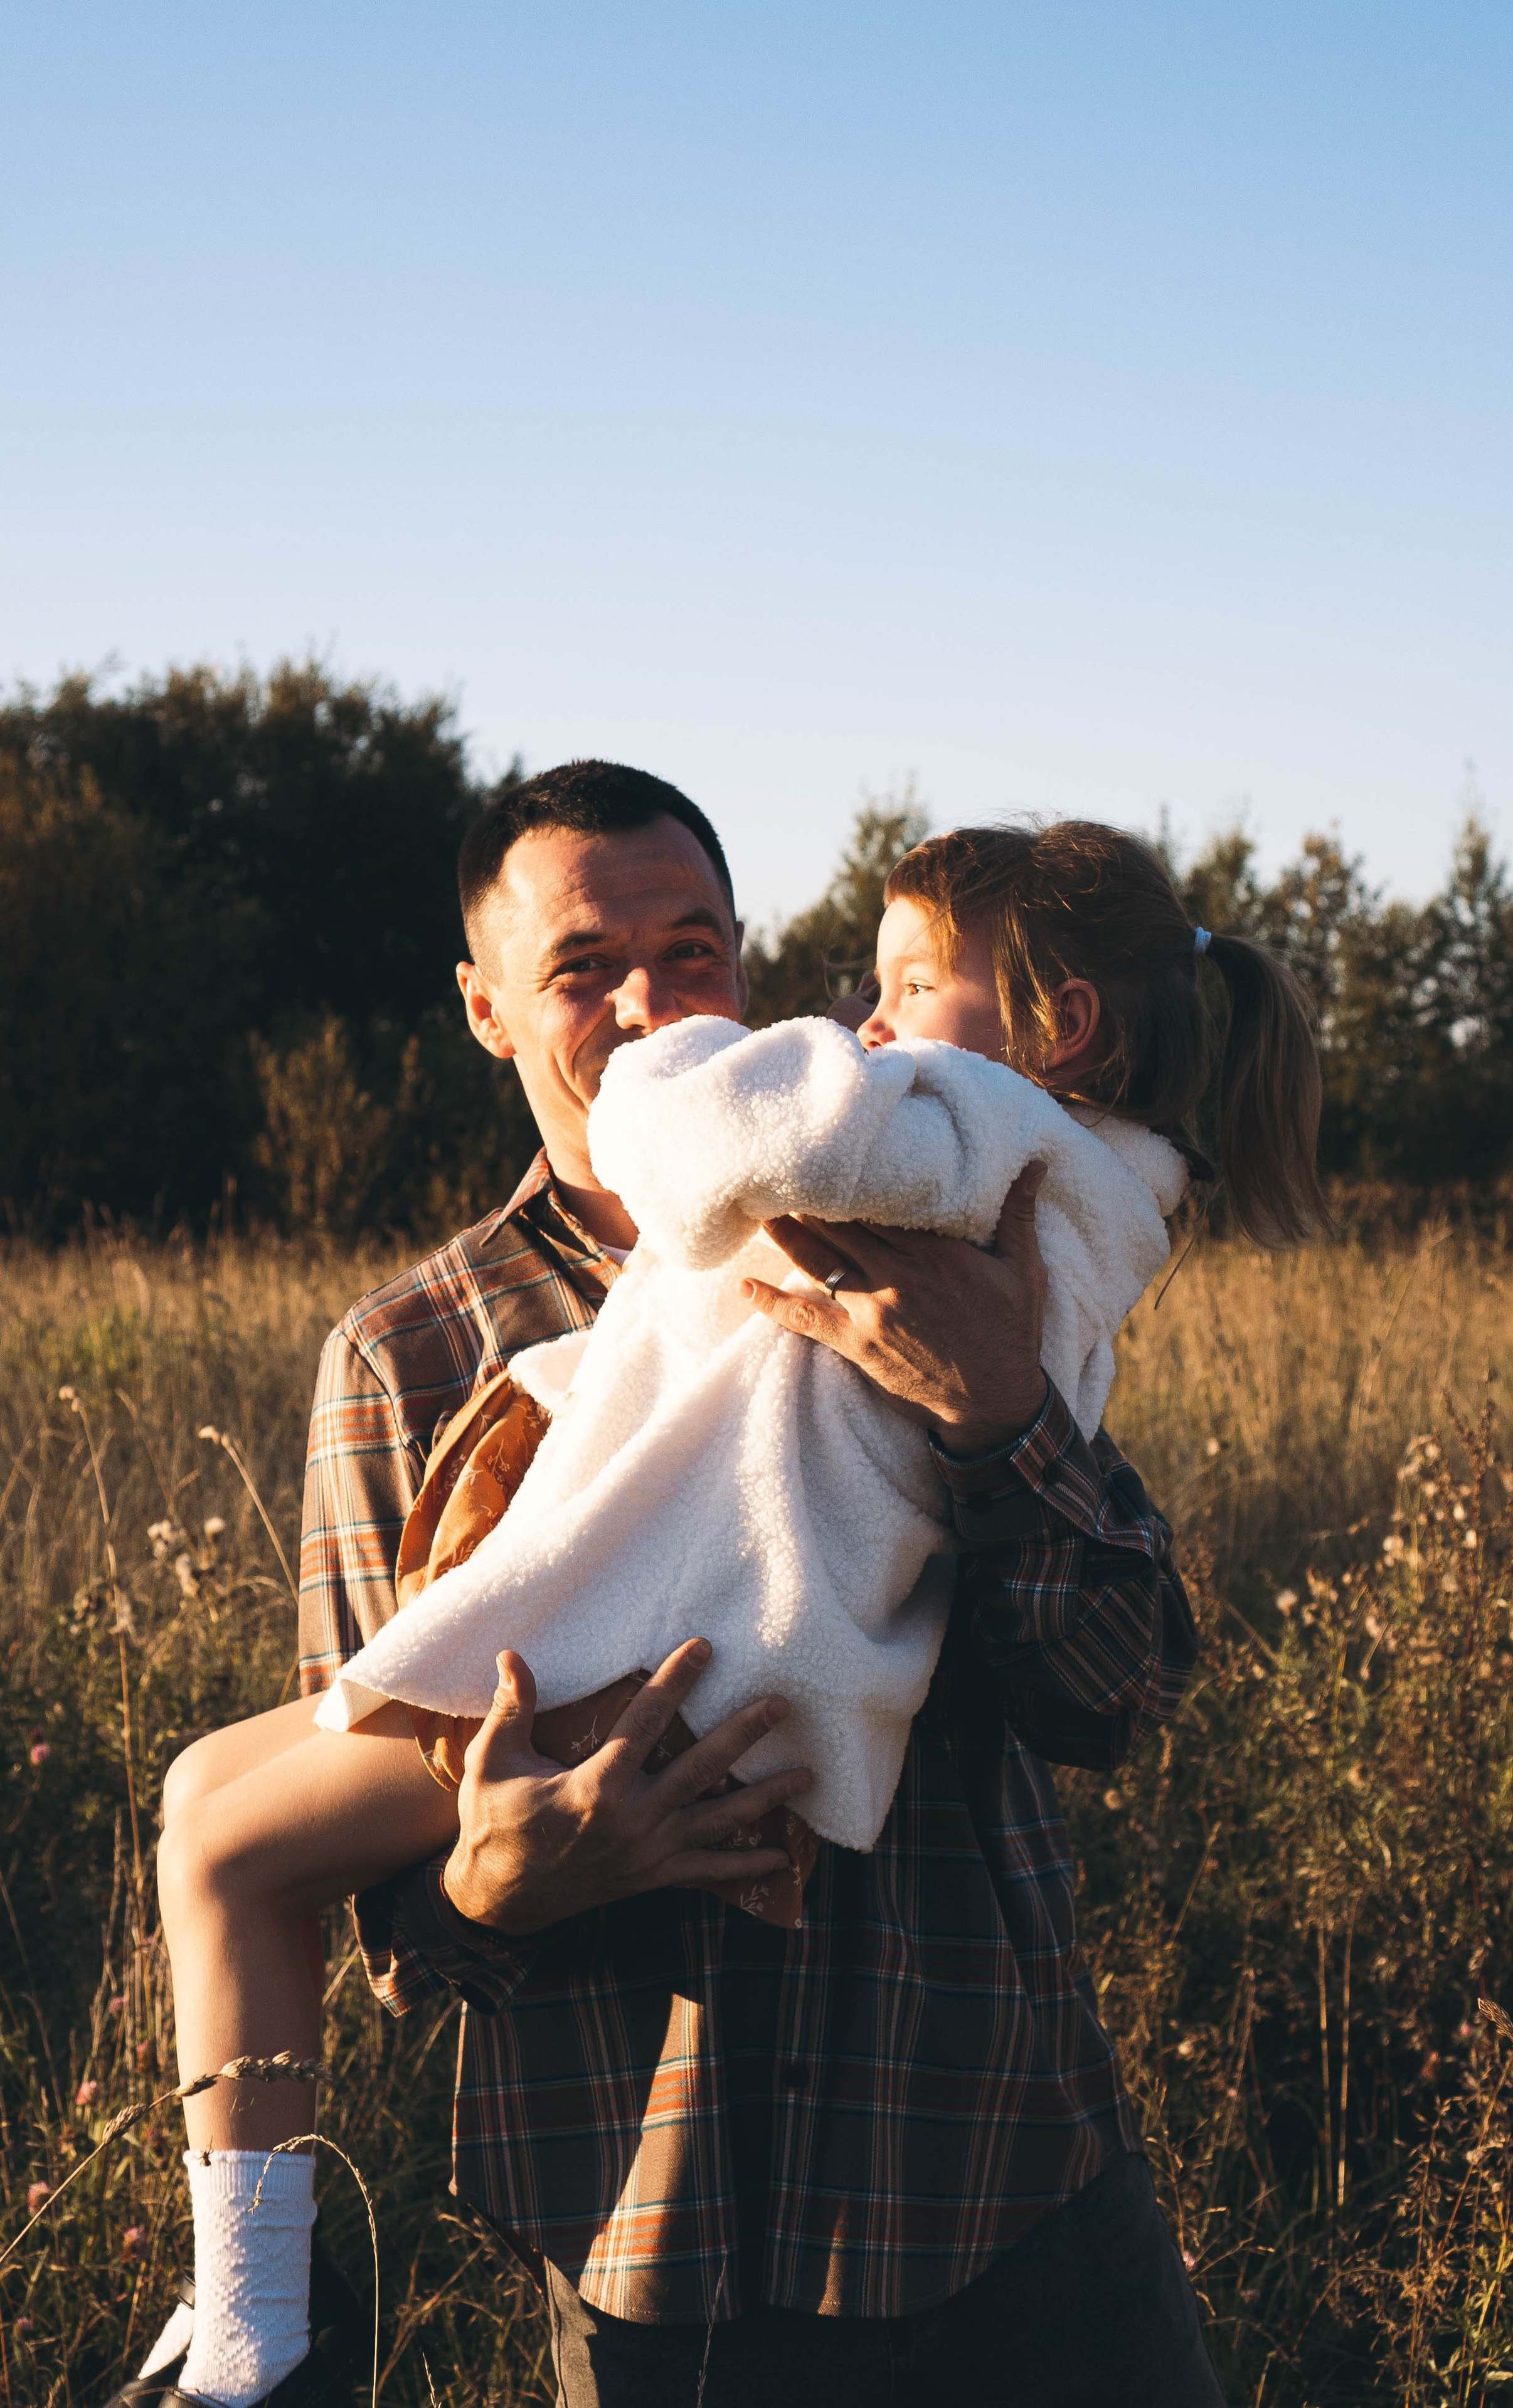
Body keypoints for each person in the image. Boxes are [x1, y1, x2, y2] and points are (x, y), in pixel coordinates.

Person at [119, 764, 1324, 2405]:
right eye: (582, 969)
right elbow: (390, 1911)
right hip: (665, 2241)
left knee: (220, 1830)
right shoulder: (411, 1351)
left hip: (1008, 2177)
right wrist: (497, 1883)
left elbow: (1117, 1691)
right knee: (210, 1801)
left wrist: (998, 1416)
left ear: (745, 960)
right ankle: (248, 2317)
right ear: (484, 1009)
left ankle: (252, 2331)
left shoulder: (935, 1218)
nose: (649, 1004)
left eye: (691, 951)